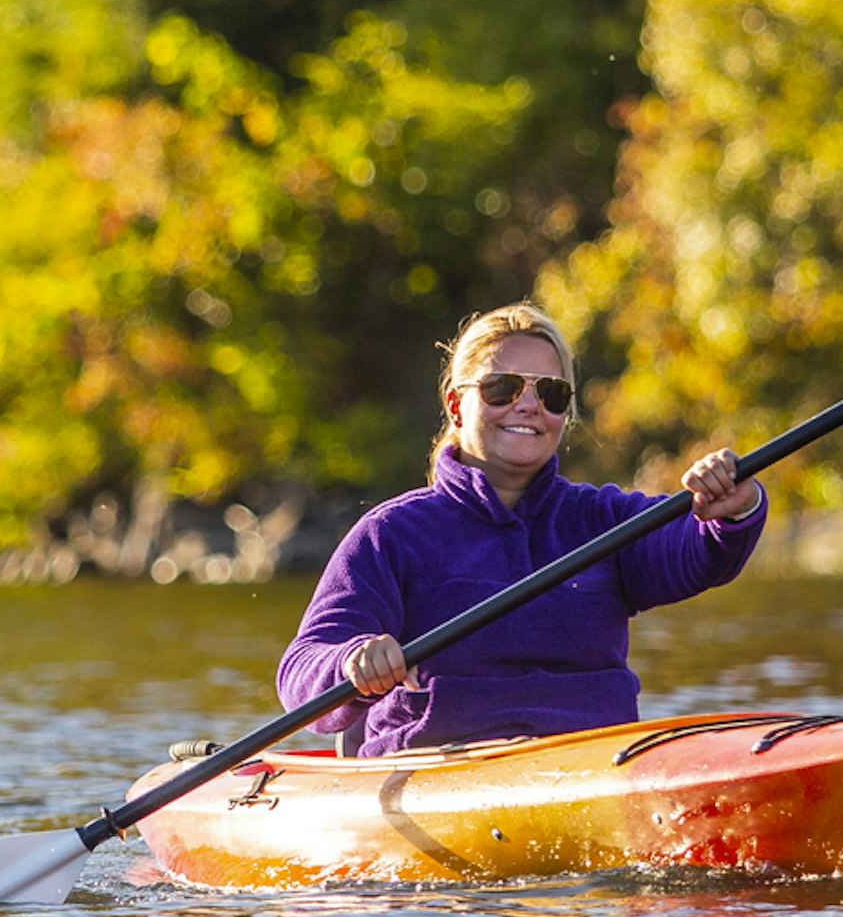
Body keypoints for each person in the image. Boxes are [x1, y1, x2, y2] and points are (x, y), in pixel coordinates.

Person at [278, 302, 767, 756]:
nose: (529, 406)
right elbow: (300, 670)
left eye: (551, 394)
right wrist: (350, 662)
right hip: (442, 767)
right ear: (455, 405)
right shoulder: (392, 533)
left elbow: (694, 549)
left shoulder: (601, 518)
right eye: (502, 389)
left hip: (594, 759)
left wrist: (730, 510)